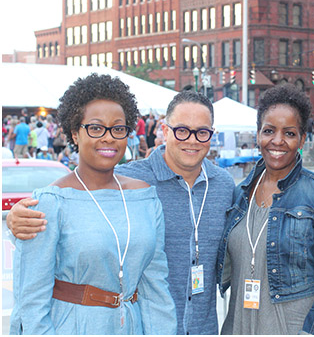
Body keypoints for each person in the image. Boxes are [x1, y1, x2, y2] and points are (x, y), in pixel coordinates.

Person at [7, 90, 235, 335]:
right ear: (165, 130)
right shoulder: (135, 182)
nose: (192, 140)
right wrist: (14, 220)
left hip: (188, 326)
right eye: (182, 130)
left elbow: (154, 282)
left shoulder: (220, 185)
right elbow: (31, 297)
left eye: (202, 132)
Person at [9, 73, 177, 334]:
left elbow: (156, 288)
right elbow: (31, 300)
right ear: (75, 133)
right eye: (96, 128)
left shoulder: (144, 198)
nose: (109, 137)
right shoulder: (51, 201)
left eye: (118, 128)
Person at [217, 84, 314, 335]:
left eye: (289, 133)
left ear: (302, 139)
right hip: (240, 326)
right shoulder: (240, 192)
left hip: (294, 327)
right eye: (269, 131)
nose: (277, 141)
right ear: (257, 134)